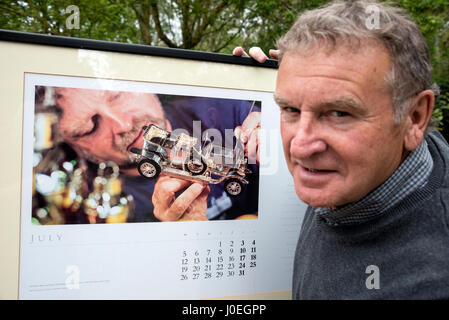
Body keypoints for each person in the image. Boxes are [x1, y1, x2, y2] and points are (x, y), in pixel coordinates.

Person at [234, 0, 449, 299]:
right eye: (291, 108)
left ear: (415, 118)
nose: (301, 146)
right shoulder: (359, 172)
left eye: (339, 113)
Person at [45, 87, 261, 222]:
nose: (123, 124)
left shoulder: (227, 110)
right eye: (89, 128)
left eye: (118, 95)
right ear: (74, 146)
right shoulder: (91, 208)